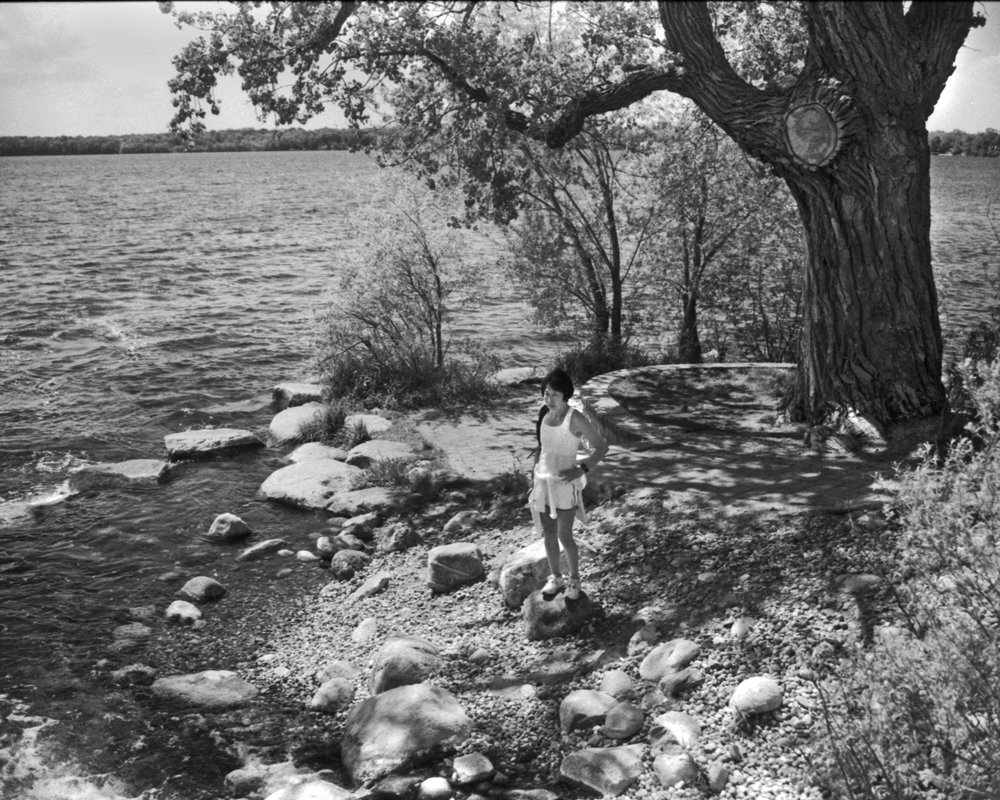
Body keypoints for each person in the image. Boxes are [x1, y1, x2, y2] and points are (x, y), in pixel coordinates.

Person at [529, 367, 609, 601]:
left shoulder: (575, 418)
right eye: (546, 393)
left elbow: (601, 446)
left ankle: (574, 579)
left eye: (554, 394)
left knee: (565, 535)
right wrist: (532, 479)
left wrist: (581, 469)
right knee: (548, 534)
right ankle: (556, 577)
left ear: (565, 395)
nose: (549, 399)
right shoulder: (544, 413)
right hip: (542, 482)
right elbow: (541, 449)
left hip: (565, 485)